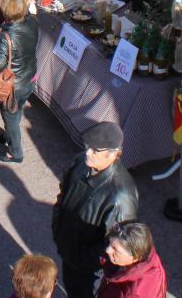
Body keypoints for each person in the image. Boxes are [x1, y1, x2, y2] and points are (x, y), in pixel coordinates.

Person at [51, 122, 140, 298]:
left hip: (89, 268)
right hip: (69, 251)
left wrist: (82, 258)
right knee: (72, 288)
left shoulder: (121, 197)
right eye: (87, 147)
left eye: (95, 150)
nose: (88, 153)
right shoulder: (80, 163)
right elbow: (64, 191)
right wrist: (57, 222)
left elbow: (117, 243)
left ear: (113, 154)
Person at [0, 0, 39, 164]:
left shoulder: (5, 36)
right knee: (17, 109)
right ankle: (7, 135)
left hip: (12, 86)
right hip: (29, 77)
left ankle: (15, 152)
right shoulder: (32, 22)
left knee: (10, 114)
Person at [97, 222, 168, 298]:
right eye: (109, 243)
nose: (107, 250)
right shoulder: (147, 254)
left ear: (135, 258)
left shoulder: (134, 293)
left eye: (115, 249)